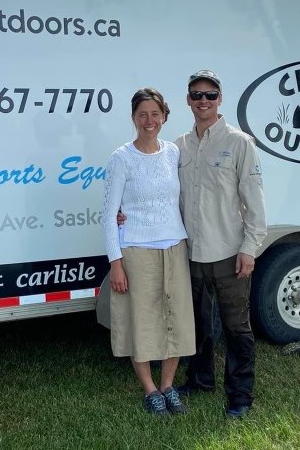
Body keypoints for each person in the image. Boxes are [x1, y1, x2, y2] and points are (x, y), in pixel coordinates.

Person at [175, 69, 267, 419]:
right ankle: (199, 380)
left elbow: (254, 200)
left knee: (235, 326)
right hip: (192, 252)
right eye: (196, 94)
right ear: (188, 100)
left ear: (220, 99)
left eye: (210, 95)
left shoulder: (239, 142)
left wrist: (250, 248)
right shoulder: (179, 146)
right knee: (197, 323)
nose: (203, 101)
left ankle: (240, 395)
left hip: (229, 251)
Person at [102, 87, 195, 416]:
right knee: (141, 322)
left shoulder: (173, 153)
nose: (149, 120)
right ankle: (150, 389)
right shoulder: (121, 158)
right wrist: (116, 263)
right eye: (142, 114)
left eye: (155, 113)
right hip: (137, 251)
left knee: (176, 319)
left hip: (175, 246)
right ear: (133, 118)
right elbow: (109, 214)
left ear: (165, 116)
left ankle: (169, 385)